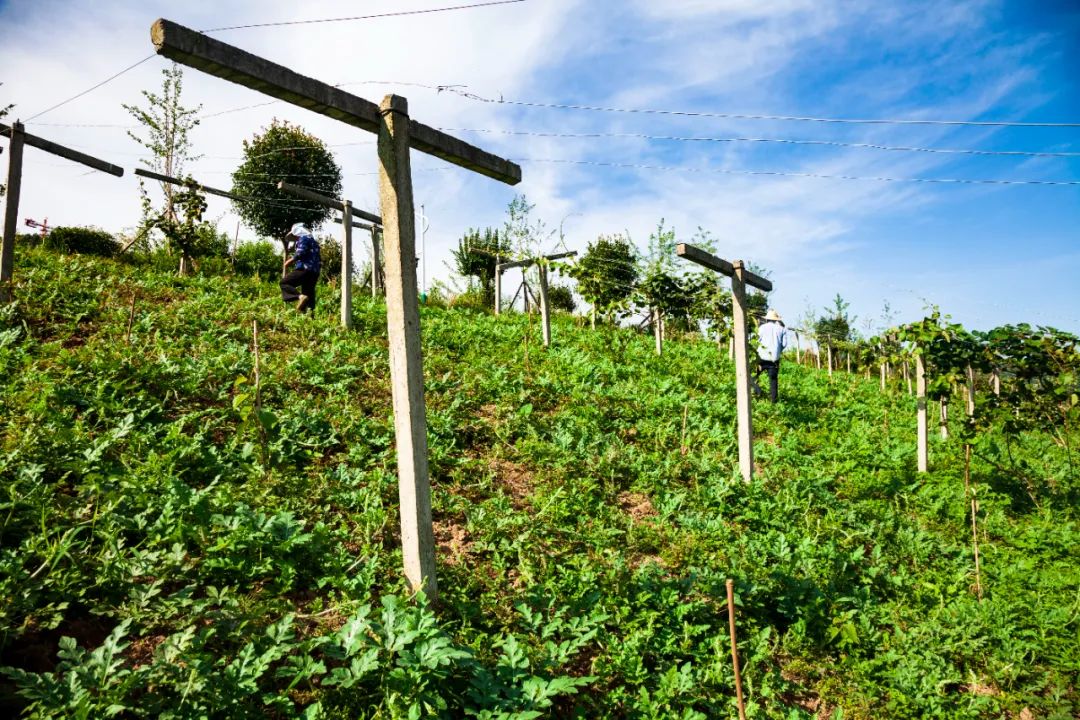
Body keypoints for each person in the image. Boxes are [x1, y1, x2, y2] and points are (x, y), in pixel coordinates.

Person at [279, 223, 321, 313]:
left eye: (296, 236)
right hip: (314, 272)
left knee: (284, 283)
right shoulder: (314, 242)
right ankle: (310, 318)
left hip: (304, 269)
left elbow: (301, 252)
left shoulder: (303, 238)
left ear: (298, 232)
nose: (296, 239)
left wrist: (290, 261)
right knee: (309, 295)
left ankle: (299, 297)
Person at [755, 308, 788, 403]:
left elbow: (757, 341)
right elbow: (784, 344)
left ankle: (756, 393)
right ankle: (773, 402)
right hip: (774, 359)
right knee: (773, 380)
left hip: (761, 357)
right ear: (776, 320)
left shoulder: (761, 328)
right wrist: (778, 350)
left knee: (755, 375)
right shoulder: (782, 329)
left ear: (767, 319)